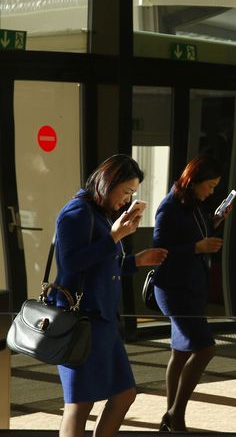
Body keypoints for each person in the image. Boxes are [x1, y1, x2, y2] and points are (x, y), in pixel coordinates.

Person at [53, 154, 168, 437]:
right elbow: (70, 264)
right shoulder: (77, 212)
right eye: (126, 191)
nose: (127, 200)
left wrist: (137, 261)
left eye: (132, 194)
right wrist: (114, 238)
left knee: (124, 394)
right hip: (80, 322)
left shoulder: (99, 216)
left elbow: (102, 266)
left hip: (101, 321)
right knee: (79, 405)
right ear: (107, 182)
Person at [151, 155, 232, 432]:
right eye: (209, 186)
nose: (211, 192)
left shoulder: (193, 205)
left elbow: (195, 234)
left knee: (181, 353)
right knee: (205, 347)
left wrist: (216, 221)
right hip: (175, 288)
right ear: (193, 182)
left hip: (191, 286)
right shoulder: (169, 207)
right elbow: (159, 252)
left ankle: (173, 417)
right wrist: (197, 248)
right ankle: (176, 413)